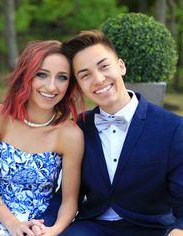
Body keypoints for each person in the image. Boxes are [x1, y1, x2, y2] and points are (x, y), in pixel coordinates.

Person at [38, 30, 183, 236]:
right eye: (85, 75)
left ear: (121, 66)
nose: (98, 79)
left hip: (151, 229)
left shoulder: (172, 127)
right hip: (93, 226)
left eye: (104, 66)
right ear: (79, 85)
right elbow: (67, 194)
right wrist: (44, 226)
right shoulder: (78, 127)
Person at [0, 40, 84, 236]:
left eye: (62, 77)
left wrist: (54, 231)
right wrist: (12, 224)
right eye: (42, 74)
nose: (52, 86)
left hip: (36, 219)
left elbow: (69, 201)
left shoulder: (70, 135)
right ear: (26, 75)